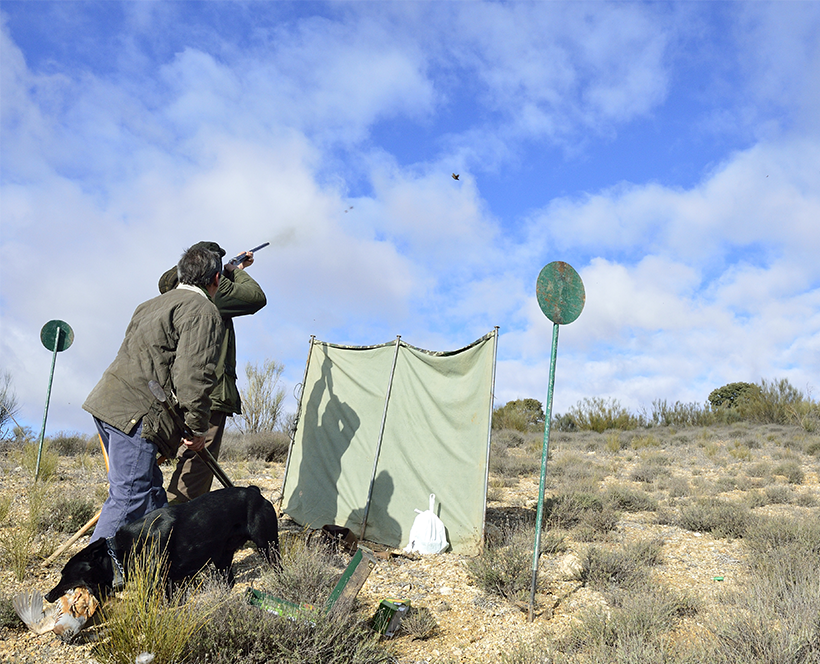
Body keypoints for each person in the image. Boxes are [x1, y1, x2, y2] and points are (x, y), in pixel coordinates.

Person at [84, 245, 225, 542]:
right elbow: (194, 375)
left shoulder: (150, 304)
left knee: (150, 493)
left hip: (109, 405)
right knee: (129, 497)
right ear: (215, 279)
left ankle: (163, 564)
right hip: (137, 416)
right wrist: (198, 428)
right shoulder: (202, 310)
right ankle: (87, 580)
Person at [158, 241, 267, 503]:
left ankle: (146, 519)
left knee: (156, 459)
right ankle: (175, 529)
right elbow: (255, 298)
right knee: (195, 470)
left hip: (169, 391)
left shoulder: (174, 291)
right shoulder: (212, 293)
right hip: (207, 391)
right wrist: (235, 270)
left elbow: (166, 279)